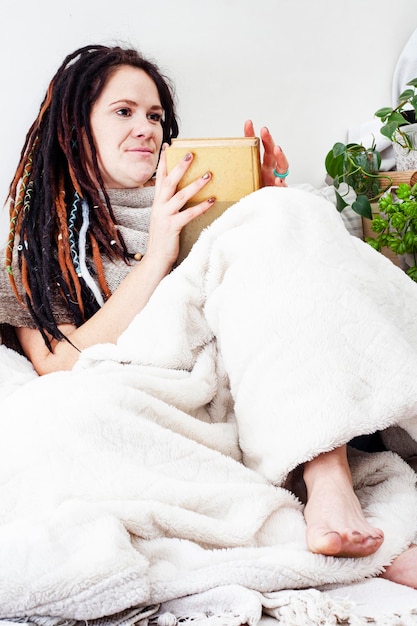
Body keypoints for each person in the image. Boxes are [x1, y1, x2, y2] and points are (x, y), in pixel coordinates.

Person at [0, 43, 415, 588]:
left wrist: (267, 206)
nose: (146, 128)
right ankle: (352, 545)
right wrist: (157, 256)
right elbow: (58, 367)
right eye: (123, 112)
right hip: (164, 401)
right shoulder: (36, 248)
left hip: (249, 388)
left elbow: (287, 309)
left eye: (155, 116)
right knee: (49, 420)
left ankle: (328, 476)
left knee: (285, 213)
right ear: (75, 130)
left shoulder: (210, 205)